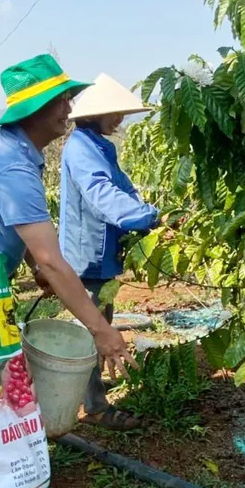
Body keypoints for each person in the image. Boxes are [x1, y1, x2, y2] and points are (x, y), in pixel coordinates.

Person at [0, 54, 137, 379]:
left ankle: (44, 429)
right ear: (35, 109)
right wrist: (101, 330)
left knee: (3, 389)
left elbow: (17, 231)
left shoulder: (11, 151)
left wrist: (33, 267)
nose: (69, 109)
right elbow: (51, 259)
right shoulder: (12, 166)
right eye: (61, 101)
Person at [59, 73, 159, 430]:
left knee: (103, 321)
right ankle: (95, 407)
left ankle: (93, 388)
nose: (119, 119)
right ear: (95, 114)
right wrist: (149, 217)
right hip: (87, 253)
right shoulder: (81, 148)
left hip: (104, 253)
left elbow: (123, 188)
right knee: (93, 328)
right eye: (114, 113)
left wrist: (144, 206)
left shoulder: (100, 146)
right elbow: (103, 197)